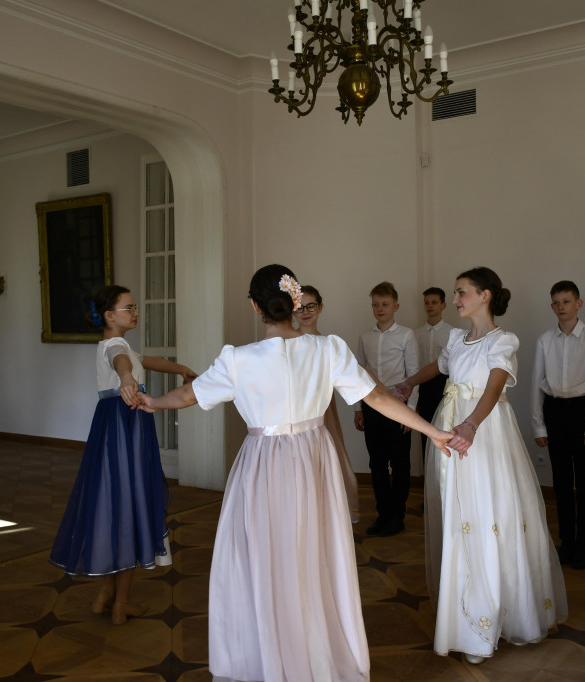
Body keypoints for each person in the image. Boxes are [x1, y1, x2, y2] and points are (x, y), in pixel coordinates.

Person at [137, 264, 453, 682]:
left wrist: (151, 403)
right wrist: (433, 432)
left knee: (264, 557)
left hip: (262, 463)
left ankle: (267, 654)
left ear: (255, 306)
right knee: (313, 557)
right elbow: (377, 397)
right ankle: (317, 652)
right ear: (295, 301)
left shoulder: (238, 358)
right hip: (312, 458)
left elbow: (186, 395)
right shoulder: (329, 349)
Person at [394, 267, 567, 664]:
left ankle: (488, 621)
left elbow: (494, 385)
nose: (456, 299)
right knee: (457, 515)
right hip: (449, 426)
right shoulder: (456, 338)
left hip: (484, 430)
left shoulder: (503, 339)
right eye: (455, 293)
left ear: (485, 295)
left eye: (461, 292)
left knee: (489, 513)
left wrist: (471, 423)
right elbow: (438, 368)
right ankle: (465, 617)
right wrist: (407, 384)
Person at [48, 284, 197, 625]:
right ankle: (121, 603)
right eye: (129, 307)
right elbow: (124, 363)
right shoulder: (115, 347)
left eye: (136, 307)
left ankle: (105, 595)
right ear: (110, 316)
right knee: (132, 506)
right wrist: (127, 377)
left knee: (112, 505)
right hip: (126, 427)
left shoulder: (119, 345)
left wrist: (181, 369)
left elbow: (143, 360)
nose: (136, 312)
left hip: (115, 428)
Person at [531, 280, 585, 570]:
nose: (561, 307)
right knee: (562, 482)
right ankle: (566, 541)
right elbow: (537, 385)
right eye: (556, 302)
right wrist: (539, 425)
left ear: (578, 304)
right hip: (555, 412)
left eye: (566, 301)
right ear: (552, 306)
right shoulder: (544, 341)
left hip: (582, 411)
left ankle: (583, 543)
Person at [354, 281, 420, 537]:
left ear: (395, 306)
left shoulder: (406, 335)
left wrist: (411, 412)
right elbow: (359, 372)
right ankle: (383, 515)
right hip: (372, 405)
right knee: (377, 463)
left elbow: (413, 375)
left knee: (400, 463)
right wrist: (359, 408)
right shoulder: (365, 335)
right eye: (375, 304)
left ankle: (397, 516)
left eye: (384, 304)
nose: (380, 309)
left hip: (399, 405)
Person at [295, 284, 360, 522]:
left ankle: (329, 515)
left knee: (328, 456)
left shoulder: (329, 344)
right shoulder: (284, 343)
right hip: (293, 411)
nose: (305, 311)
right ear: (292, 311)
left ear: (320, 308)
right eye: (299, 307)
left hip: (322, 410)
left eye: (311, 305)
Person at [414, 287, 453, 455]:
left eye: (434, 302)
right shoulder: (415, 333)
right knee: (426, 430)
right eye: (427, 303)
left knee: (446, 429)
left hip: (444, 385)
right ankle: (428, 479)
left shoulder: (452, 333)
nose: (430, 306)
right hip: (422, 385)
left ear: (443, 305)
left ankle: (446, 477)